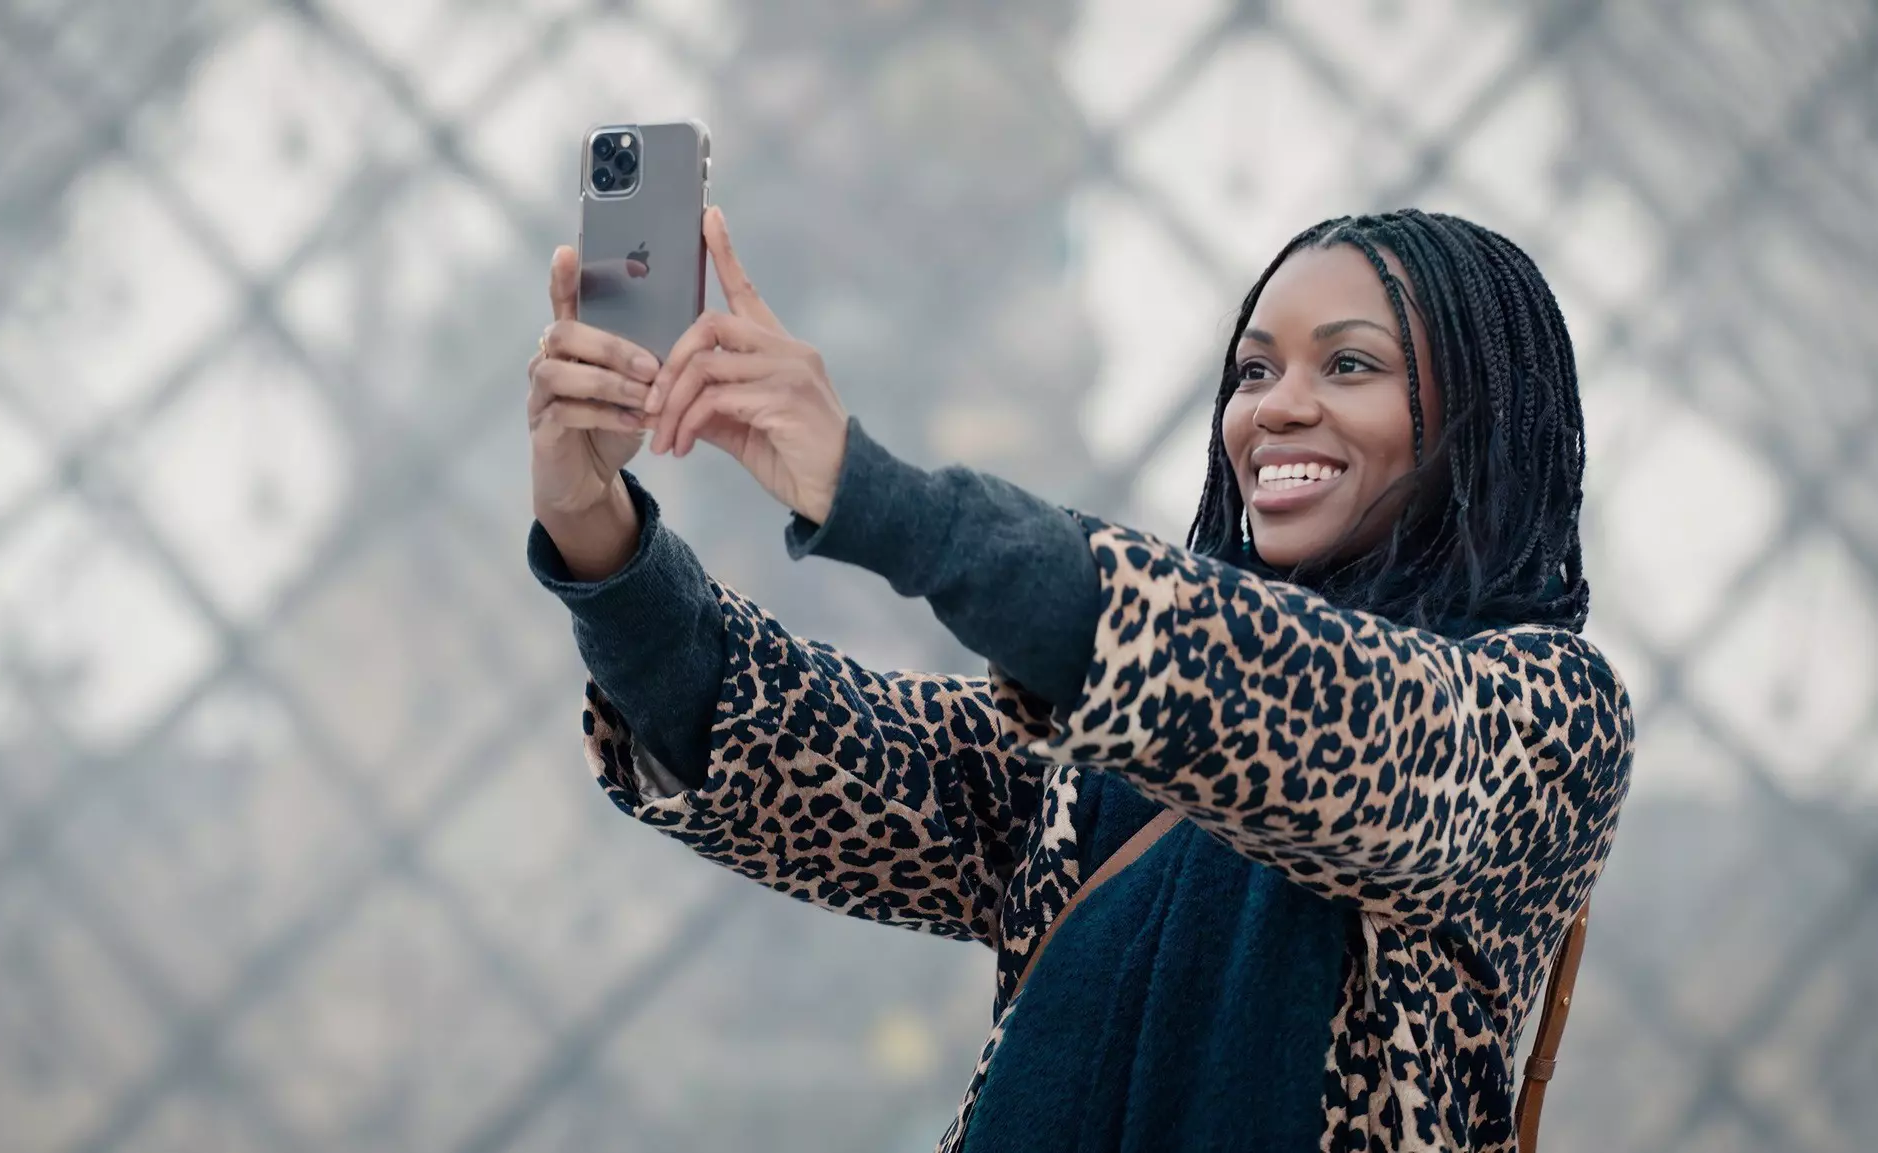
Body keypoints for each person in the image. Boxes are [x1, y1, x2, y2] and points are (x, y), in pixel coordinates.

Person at [526, 205, 1634, 1152]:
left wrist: (871, 491)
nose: (1275, 408)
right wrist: (593, 529)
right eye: (1252, 370)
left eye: (1348, 364)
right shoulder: (1107, 745)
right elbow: (786, 746)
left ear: (1478, 420)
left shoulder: (1544, 714)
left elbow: (1319, 714)